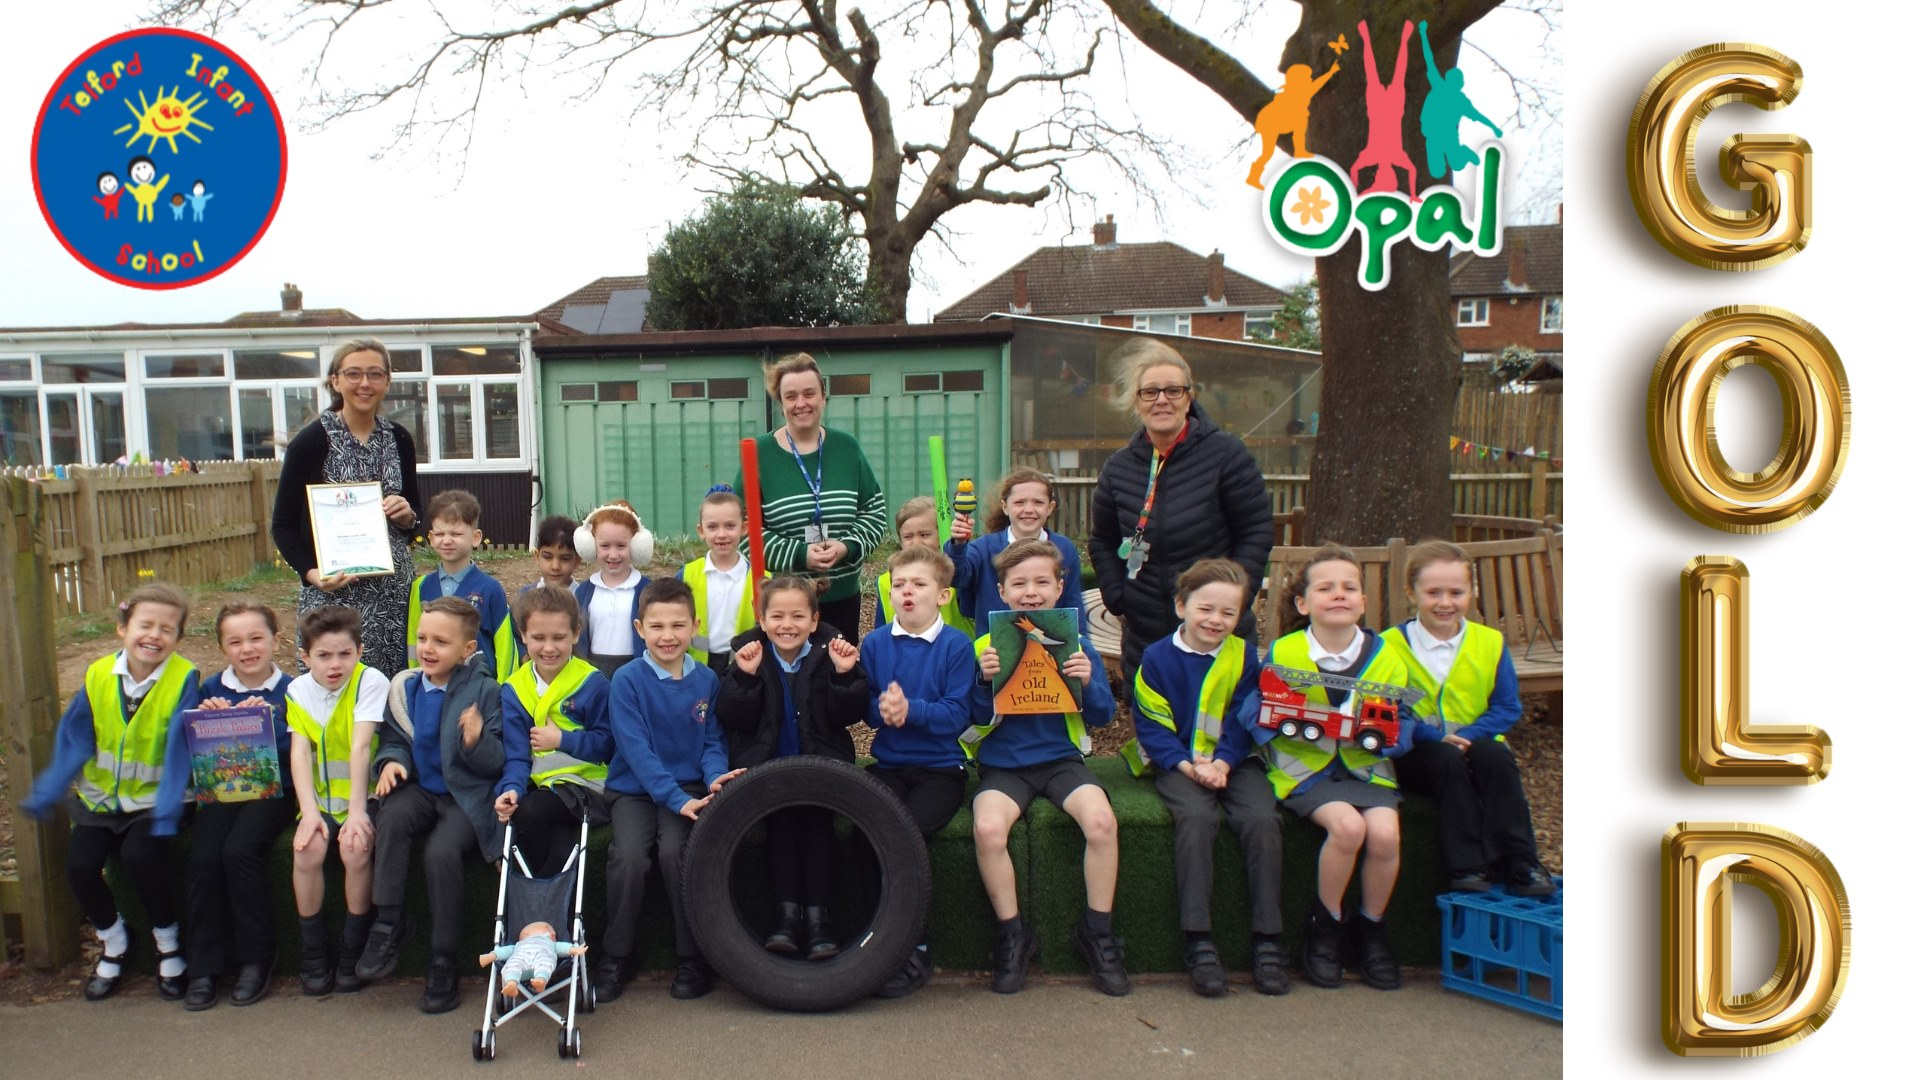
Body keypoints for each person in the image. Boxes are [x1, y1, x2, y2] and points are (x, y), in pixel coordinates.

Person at [1238, 544, 1413, 991]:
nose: (1339, 595)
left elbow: (1405, 717)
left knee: (1386, 833)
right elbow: (1258, 706)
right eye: (1326, 587)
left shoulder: (1388, 655)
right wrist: (1269, 726)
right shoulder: (1286, 650)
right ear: (1303, 603)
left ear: (1364, 601)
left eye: (1349, 587)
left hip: (1366, 767)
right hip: (1306, 770)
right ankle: (1326, 924)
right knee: (1348, 829)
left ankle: (1372, 928)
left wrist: (1394, 740)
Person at [20, 583, 200, 1002]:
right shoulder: (98, 674)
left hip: (155, 800)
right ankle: (115, 939)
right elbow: (77, 736)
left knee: (141, 857)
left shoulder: (183, 678)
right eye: (145, 625)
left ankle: (169, 942)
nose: (154, 636)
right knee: (80, 868)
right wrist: (49, 788)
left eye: (166, 629)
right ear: (123, 628)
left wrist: (171, 805)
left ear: (178, 638)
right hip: (100, 799)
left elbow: (179, 745)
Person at [967, 539, 1124, 997]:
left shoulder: (1078, 644)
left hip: (1061, 763)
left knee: (1101, 821)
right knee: (988, 830)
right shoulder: (984, 647)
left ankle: (1098, 932)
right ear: (1001, 591)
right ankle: (1013, 933)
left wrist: (1090, 681)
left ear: (1060, 587)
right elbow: (971, 722)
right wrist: (983, 680)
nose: (1030, 592)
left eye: (1041, 582)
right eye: (1019, 583)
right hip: (1004, 767)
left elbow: (1102, 717)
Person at [1129, 560, 1286, 997]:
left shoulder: (1246, 657)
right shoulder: (1157, 657)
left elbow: (1243, 718)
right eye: (1206, 609)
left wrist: (1223, 764)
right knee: (1196, 820)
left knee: (1261, 819)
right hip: (1178, 763)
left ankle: (1268, 940)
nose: (1216, 620)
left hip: (1233, 762)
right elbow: (1152, 725)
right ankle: (1198, 940)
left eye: (1228, 613)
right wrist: (1186, 766)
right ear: (1181, 606)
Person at [1090, 338, 1271, 699]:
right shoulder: (1119, 468)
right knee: (1155, 733)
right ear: (1136, 401)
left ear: (1189, 398)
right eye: (1150, 392)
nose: (1162, 400)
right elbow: (1102, 540)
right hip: (1146, 632)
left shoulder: (1226, 455)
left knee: (1223, 731)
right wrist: (1118, 596)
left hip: (1216, 627)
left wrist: (1235, 597)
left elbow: (1255, 530)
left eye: (1173, 390)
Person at [355, 597, 506, 1014]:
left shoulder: (484, 690)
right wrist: (390, 764)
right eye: (422, 638)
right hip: (420, 789)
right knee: (393, 815)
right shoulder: (405, 686)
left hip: (465, 795)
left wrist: (475, 740)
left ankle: (443, 960)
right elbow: (395, 739)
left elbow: (496, 761)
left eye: (441, 641)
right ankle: (388, 921)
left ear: (467, 649)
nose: (428, 648)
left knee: (441, 853)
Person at [1382, 540, 1555, 896]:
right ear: (1410, 593)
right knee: (1446, 760)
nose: (1445, 602)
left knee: (1495, 756)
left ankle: (1521, 861)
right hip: (1418, 753)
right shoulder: (1389, 646)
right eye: (1433, 592)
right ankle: (1467, 865)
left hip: (1476, 746)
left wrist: (1471, 735)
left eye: (1456, 592)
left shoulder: (1489, 642)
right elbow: (1389, 711)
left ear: (1471, 593)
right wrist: (1436, 738)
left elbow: (1507, 706)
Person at [599, 579, 740, 1002]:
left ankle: (692, 956)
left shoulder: (708, 681)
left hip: (691, 789)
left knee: (677, 853)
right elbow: (636, 752)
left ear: (694, 626)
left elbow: (714, 741)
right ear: (640, 628)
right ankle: (616, 955)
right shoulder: (626, 680)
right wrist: (676, 799)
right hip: (635, 791)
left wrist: (715, 777)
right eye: (657, 626)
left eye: (678, 625)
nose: (668, 636)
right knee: (627, 858)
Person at [716, 575, 867, 962]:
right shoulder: (749, 656)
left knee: (818, 830)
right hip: (769, 772)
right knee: (780, 832)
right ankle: (785, 917)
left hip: (821, 768)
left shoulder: (830, 652)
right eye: (778, 616)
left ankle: (819, 920)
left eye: (798, 616)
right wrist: (745, 679)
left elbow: (849, 714)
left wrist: (844, 674)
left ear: (814, 620)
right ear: (762, 620)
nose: (788, 625)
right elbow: (734, 717)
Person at [860, 544, 978, 997]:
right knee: (864, 830)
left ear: (943, 596)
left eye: (919, 585)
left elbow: (956, 715)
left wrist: (910, 710)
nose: (907, 592)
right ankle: (874, 940)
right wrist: (880, 709)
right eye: (899, 585)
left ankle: (913, 945)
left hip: (940, 770)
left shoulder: (955, 645)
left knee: (905, 834)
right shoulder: (874, 643)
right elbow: (868, 708)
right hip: (890, 765)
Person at [271, 337, 421, 677]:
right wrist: (312, 575)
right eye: (353, 374)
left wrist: (407, 515)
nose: (364, 383)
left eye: (374, 374)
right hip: (333, 598)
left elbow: (416, 519)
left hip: (393, 597)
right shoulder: (311, 442)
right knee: (334, 690)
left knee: (393, 690)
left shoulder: (399, 439)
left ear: (387, 381)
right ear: (335, 381)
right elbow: (282, 525)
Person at [182, 601, 297, 1010]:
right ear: (222, 648)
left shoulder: (292, 690)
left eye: (255, 638)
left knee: (240, 851)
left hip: (277, 790)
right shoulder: (211, 688)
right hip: (223, 791)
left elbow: (303, 746)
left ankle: (256, 958)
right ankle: (204, 965)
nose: (247, 649)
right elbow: (192, 743)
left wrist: (267, 725)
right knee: (203, 857)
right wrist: (205, 718)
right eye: (235, 642)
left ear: (274, 639)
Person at [734, 352, 887, 639]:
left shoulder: (846, 448)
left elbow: (874, 510)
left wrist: (847, 546)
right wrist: (799, 554)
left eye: (809, 393)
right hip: (785, 606)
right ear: (781, 404)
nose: (801, 403)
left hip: (843, 597)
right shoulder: (759, 454)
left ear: (823, 397)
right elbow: (742, 529)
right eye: (791, 396)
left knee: (839, 676)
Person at [284, 606, 391, 996]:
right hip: (322, 800)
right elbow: (299, 753)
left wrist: (359, 813)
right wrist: (309, 812)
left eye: (345, 654)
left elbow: (362, 746)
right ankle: (313, 951)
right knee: (307, 850)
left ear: (360, 651)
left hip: (365, 798)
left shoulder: (371, 682)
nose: (335, 665)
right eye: (324, 656)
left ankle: (353, 945)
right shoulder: (297, 690)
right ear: (304, 656)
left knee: (354, 847)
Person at [493, 586, 612, 883]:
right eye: (538, 638)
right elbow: (517, 755)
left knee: (532, 812)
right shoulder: (514, 688)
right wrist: (511, 788)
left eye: (559, 638)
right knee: (528, 814)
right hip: (544, 788)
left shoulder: (592, 682)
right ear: (523, 635)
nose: (549, 648)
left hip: (588, 787)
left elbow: (609, 744)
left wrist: (563, 740)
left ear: (575, 633)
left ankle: (538, 892)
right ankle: (546, 908)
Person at [947, 468, 1085, 632]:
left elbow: (1074, 610)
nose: (1028, 509)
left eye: (1038, 502)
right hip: (994, 651)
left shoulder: (1065, 549)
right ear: (1005, 506)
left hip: (1050, 651)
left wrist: (1081, 649)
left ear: (1050, 507)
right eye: (1020, 502)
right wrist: (958, 545)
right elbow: (956, 577)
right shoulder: (983, 548)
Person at [409, 489, 515, 677]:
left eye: (456, 534)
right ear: (431, 538)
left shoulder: (490, 588)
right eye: (440, 534)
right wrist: (414, 679)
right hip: (434, 687)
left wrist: (502, 692)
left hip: (479, 689)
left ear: (475, 537)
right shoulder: (421, 586)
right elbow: (413, 641)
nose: (447, 540)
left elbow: (506, 647)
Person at [572, 501, 654, 679]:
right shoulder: (584, 592)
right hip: (592, 671)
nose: (613, 554)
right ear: (591, 545)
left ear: (636, 545)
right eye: (605, 546)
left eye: (621, 546)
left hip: (635, 672)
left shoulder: (647, 590)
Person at [681, 485, 757, 675]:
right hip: (696, 667)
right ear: (701, 530)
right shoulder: (687, 574)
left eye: (730, 526)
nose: (721, 534)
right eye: (712, 527)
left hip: (744, 666)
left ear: (744, 528)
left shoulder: (760, 579)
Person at [876, 496, 973, 634]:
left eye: (924, 535)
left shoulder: (956, 575)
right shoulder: (885, 582)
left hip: (951, 652)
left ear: (940, 535)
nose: (916, 542)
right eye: (908, 536)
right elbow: (880, 631)